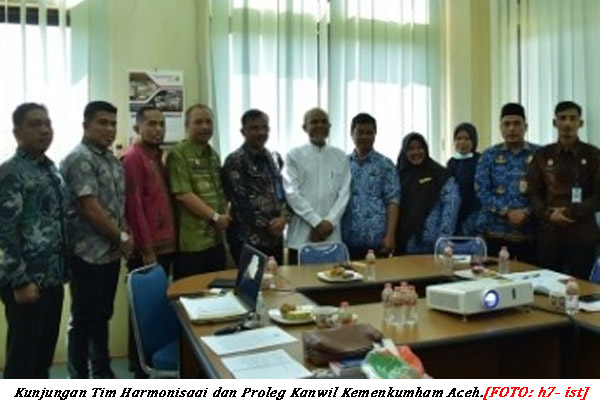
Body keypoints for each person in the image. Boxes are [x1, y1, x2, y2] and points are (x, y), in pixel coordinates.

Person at [60, 101, 131, 379]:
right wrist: (121, 236)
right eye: (102, 122)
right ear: (85, 125)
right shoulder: (80, 158)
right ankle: (78, 378)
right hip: (86, 254)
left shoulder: (111, 160)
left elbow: (116, 206)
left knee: (102, 315)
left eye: (113, 123)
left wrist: (123, 234)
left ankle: (101, 372)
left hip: (109, 254)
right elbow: (89, 207)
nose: (109, 129)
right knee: (83, 319)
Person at [0, 103, 67, 378]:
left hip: (52, 278)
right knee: (22, 363)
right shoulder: (11, 172)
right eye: (35, 124)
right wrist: (20, 281)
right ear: (17, 133)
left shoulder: (50, 169)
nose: (44, 130)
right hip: (27, 282)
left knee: (42, 360)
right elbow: (5, 231)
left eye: (47, 124)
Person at [121, 105, 176, 378]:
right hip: (148, 250)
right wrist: (147, 250)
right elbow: (134, 207)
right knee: (144, 312)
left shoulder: (158, 156)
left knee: (159, 309)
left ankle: (152, 365)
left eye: (161, 124)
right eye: (151, 124)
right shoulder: (133, 158)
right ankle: (141, 371)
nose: (158, 129)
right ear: (137, 127)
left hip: (166, 246)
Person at [526, 101, 600, 279]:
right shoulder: (542, 155)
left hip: (582, 234)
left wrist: (571, 212)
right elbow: (534, 192)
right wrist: (548, 214)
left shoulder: (593, 154)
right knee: (548, 285)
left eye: (573, 118)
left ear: (580, 123)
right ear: (555, 122)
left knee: (583, 288)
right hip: (549, 234)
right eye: (562, 118)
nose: (567, 123)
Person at [166, 104, 229, 280]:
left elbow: (220, 191)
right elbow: (183, 194)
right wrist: (215, 217)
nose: (205, 126)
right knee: (191, 293)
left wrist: (225, 215)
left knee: (218, 291)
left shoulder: (213, 155)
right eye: (198, 122)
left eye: (208, 122)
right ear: (187, 126)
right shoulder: (178, 154)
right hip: (192, 244)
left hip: (216, 240)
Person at [282, 107, 351, 264]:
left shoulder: (340, 156)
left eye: (323, 121)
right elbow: (292, 193)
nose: (319, 125)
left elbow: (344, 193)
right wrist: (316, 222)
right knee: (298, 280)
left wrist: (329, 222)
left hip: (332, 237)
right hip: (300, 238)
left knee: (334, 279)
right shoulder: (294, 155)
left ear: (329, 126)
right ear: (304, 127)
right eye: (314, 122)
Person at [221, 109, 289, 265]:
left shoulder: (274, 158)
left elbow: (283, 193)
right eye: (254, 128)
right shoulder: (235, 161)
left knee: (276, 279)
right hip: (247, 240)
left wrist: (284, 218)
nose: (261, 132)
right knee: (251, 281)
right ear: (243, 131)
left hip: (275, 239)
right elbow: (241, 202)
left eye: (265, 127)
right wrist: (270, 224)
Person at [475, 103, 539, 265]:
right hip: (495, 233)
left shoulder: (540, 155)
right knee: (494, 278)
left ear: (526, 127)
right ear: (500, 128)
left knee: (530, 278)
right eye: (507, 124)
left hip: (531, 234)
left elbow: (546, 191)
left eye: (517, 123)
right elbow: (482, 191)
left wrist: (527, 212)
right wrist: (506, 212)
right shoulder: (488, 155)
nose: (511, 129)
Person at [342, 113, 400, 260]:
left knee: (378, 275)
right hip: (346, 240)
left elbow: (393, 202)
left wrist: (390, 235)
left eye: (369, 133)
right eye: (360, 132)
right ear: (352, 134)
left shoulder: (386, 165)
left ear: (375, 134)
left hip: (377, 240)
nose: (365, 136)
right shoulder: (342, 164)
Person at [395, 132, 460, 254]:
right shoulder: (398, 175)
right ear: (404, 152)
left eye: (420, 147)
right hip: (405, 244)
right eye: (410, 149)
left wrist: (443, 240)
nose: (416, 152)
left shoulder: (440, 174)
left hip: (435, 245)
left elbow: (451, 205)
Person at [446, 122, 482, 236]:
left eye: (466, 139)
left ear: (473, 141)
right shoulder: (451, 162)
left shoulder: (480, 160)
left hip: (474, 214)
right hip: (455, 214)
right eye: (458, 138)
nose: (462, 142)